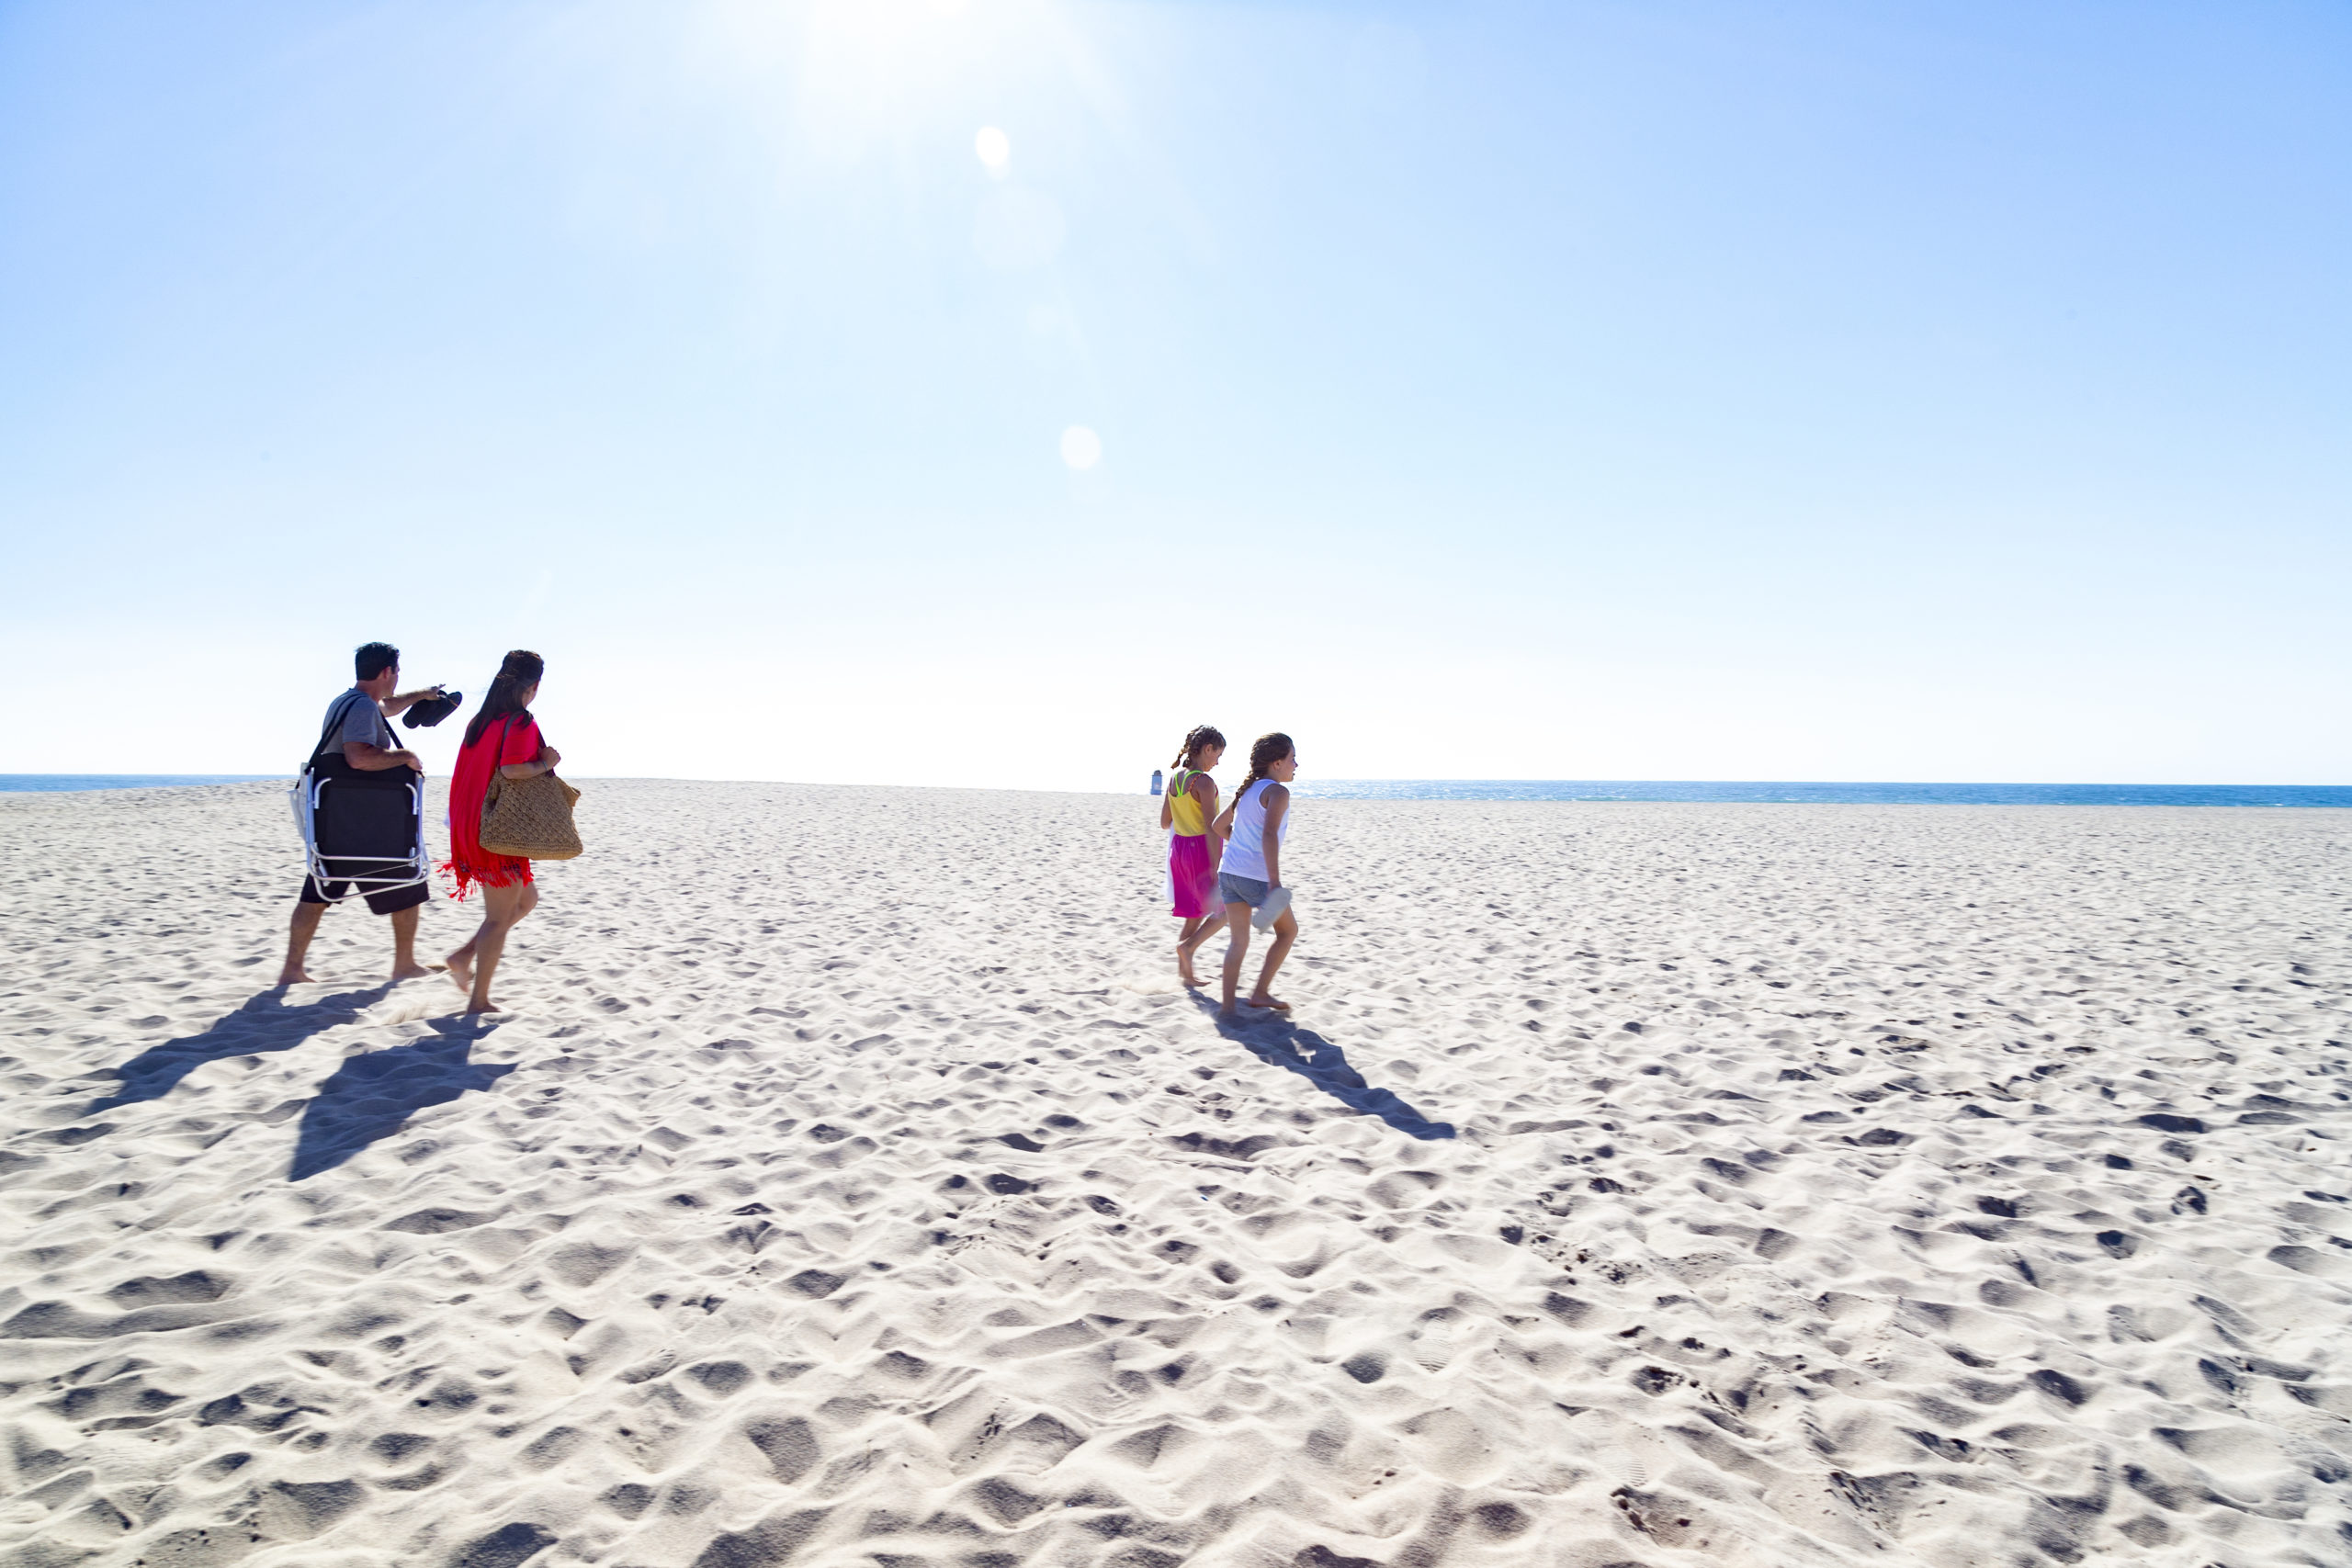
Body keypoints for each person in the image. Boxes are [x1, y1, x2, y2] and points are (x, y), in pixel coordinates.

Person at [278, 642, 446, 986]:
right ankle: (404, 965)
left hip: (337, 823)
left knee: (316, 893)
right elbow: (358, 757)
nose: (398, 679)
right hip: (366, 822)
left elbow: (386, 706)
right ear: (387, 672)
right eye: (397, 672)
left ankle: (291, 970)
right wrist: (405, 756)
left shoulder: (349, 701)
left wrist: (422, 696)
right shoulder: (361, 709)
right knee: (408, 880)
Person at [443, 650, 559, 1013]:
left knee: (525, 900)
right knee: (497, 917)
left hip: (470, 822)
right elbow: (512, 770)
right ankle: (479, 1001)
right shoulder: (519, 721)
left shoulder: (481, 721)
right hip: (498, 828)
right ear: (534, 686)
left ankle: (462, 956)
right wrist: (546, 762)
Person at [1212, 732, 1300, 1020]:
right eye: (1291, 759)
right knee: (1288, 932)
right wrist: (1274, 881)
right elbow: (1269, 834)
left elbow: (1217, 825)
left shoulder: (1246, 791)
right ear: (1276, 763)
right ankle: (1260, 992)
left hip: (1229, 872)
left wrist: (1237, 844)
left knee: (1238, 942)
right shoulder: (1277, 792)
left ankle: (1227, 1009)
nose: (1295, 765)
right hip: (1256, 877)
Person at [1159, 725, 1227, 987]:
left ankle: (1184, 974)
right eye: (1217, 755)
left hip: (1179, 851)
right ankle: (1187, 951)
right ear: (1207, 749)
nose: (1217, 762)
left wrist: (1184, 813)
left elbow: (1165, 822)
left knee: (1194, 914)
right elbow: (1212, 828)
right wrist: (1214, 865)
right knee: (1223, 911)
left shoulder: (1175, 779)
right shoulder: (1204, 782)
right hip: (1201, 852)